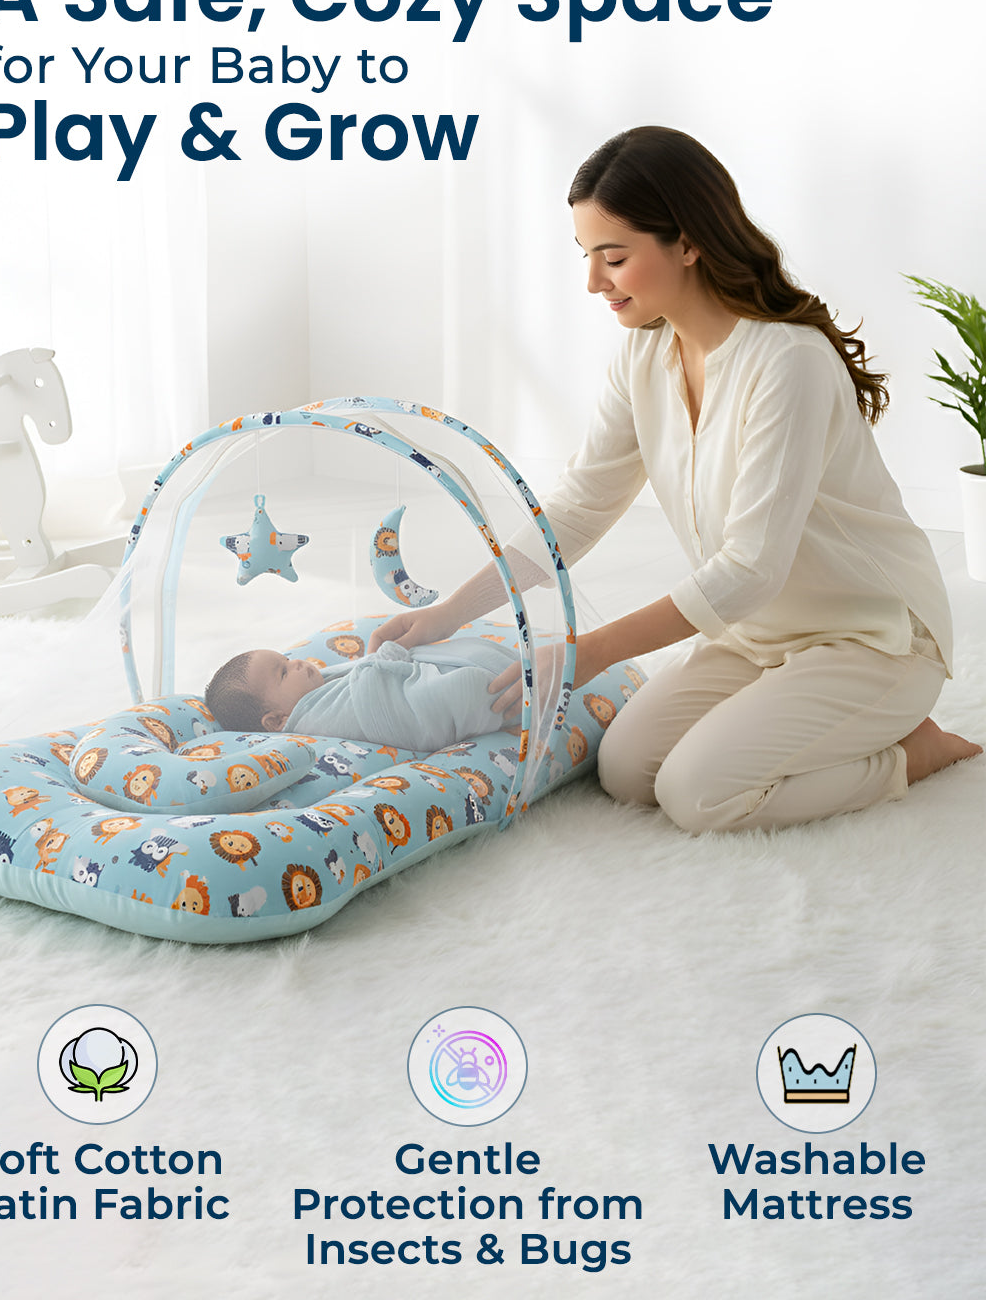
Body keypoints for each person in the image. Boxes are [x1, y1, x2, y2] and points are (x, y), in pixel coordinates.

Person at [369, 126, 981, 833]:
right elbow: (577, 510)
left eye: (614, 257)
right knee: (627, 772)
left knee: (700, 796)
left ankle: (914, 751)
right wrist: (447, 614)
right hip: (753, 637)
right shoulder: (644, 358)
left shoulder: (788, 362)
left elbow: (751, 567)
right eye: (587, 257)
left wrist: (589, 652)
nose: (594, 282)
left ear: (686, 243)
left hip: (872, 638)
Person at [205, 636, 519, 752]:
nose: (297, 662)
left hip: (407, 681)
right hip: (422, 704)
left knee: (454, 651)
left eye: (287, 659)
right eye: (284, 672)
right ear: (276, 721)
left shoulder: (313, 693)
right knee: (462, 690)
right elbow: (375, 703)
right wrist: (386, 658)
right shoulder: (314, 723)